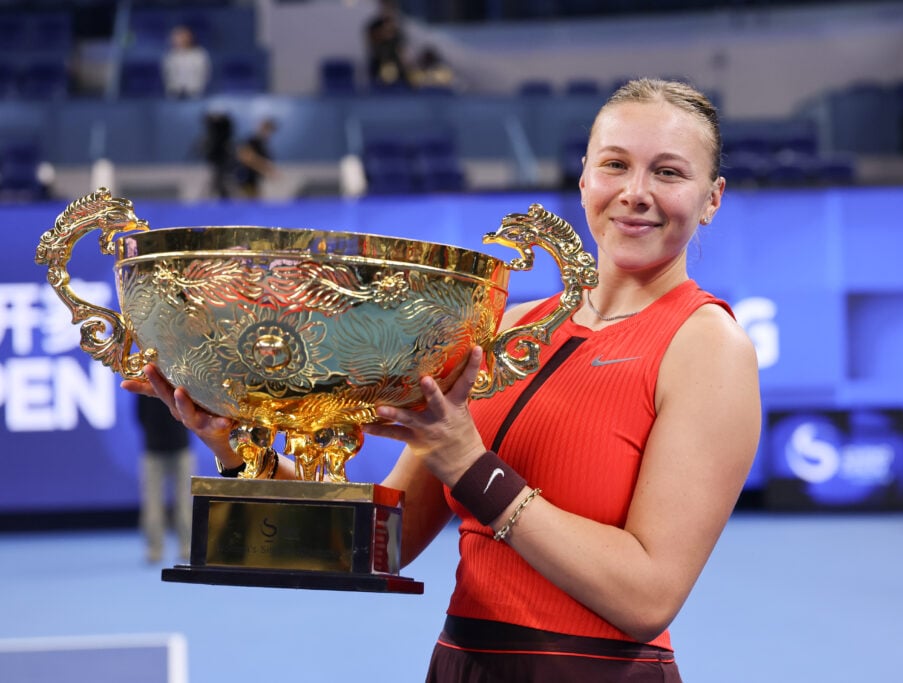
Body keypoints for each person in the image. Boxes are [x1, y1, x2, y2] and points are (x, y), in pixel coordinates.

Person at [123, 77, 762, 681]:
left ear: (712, 199)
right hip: (462, 666)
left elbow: (647, 597)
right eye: (615, 165)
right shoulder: (506, 326)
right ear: (585, 177)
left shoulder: (707, 344)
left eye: (669, 172)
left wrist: (470, 466)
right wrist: (234, 444)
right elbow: (378, 548)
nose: (636, 192)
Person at [136, 394, 195, 564]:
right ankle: (184, 547)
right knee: (166, 502)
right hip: (164, 448)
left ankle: (157, 549)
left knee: (162, 501)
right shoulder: (176, 381)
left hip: (164, 447)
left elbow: (139, 415)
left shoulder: (145, 380)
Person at [364, 0, 411, 89]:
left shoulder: (397, 26)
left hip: (396, 63)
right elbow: (371, 42)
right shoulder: (374, 26)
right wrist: (383, 34)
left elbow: (401, 45)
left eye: (390, 8)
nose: (388, 10)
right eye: (386, 7)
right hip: (378, 62)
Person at [161, 25, 211, 99]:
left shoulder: (200, 55)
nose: (178, 39)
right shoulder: (169, 56)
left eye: (182, 36)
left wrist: (194, 90)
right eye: (176, 37)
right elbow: (167, 77)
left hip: (196, 94)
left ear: (190, 37)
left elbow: (205, 75)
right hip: (174, 95)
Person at [236, 118, 277, 199]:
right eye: (267, 130)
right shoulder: (252, 141)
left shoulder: (263, 144)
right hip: (245, 179)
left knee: (255, 202)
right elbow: (246, 157)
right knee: (248, 204)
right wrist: (265, 168)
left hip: (254, 180)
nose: (268, 134)